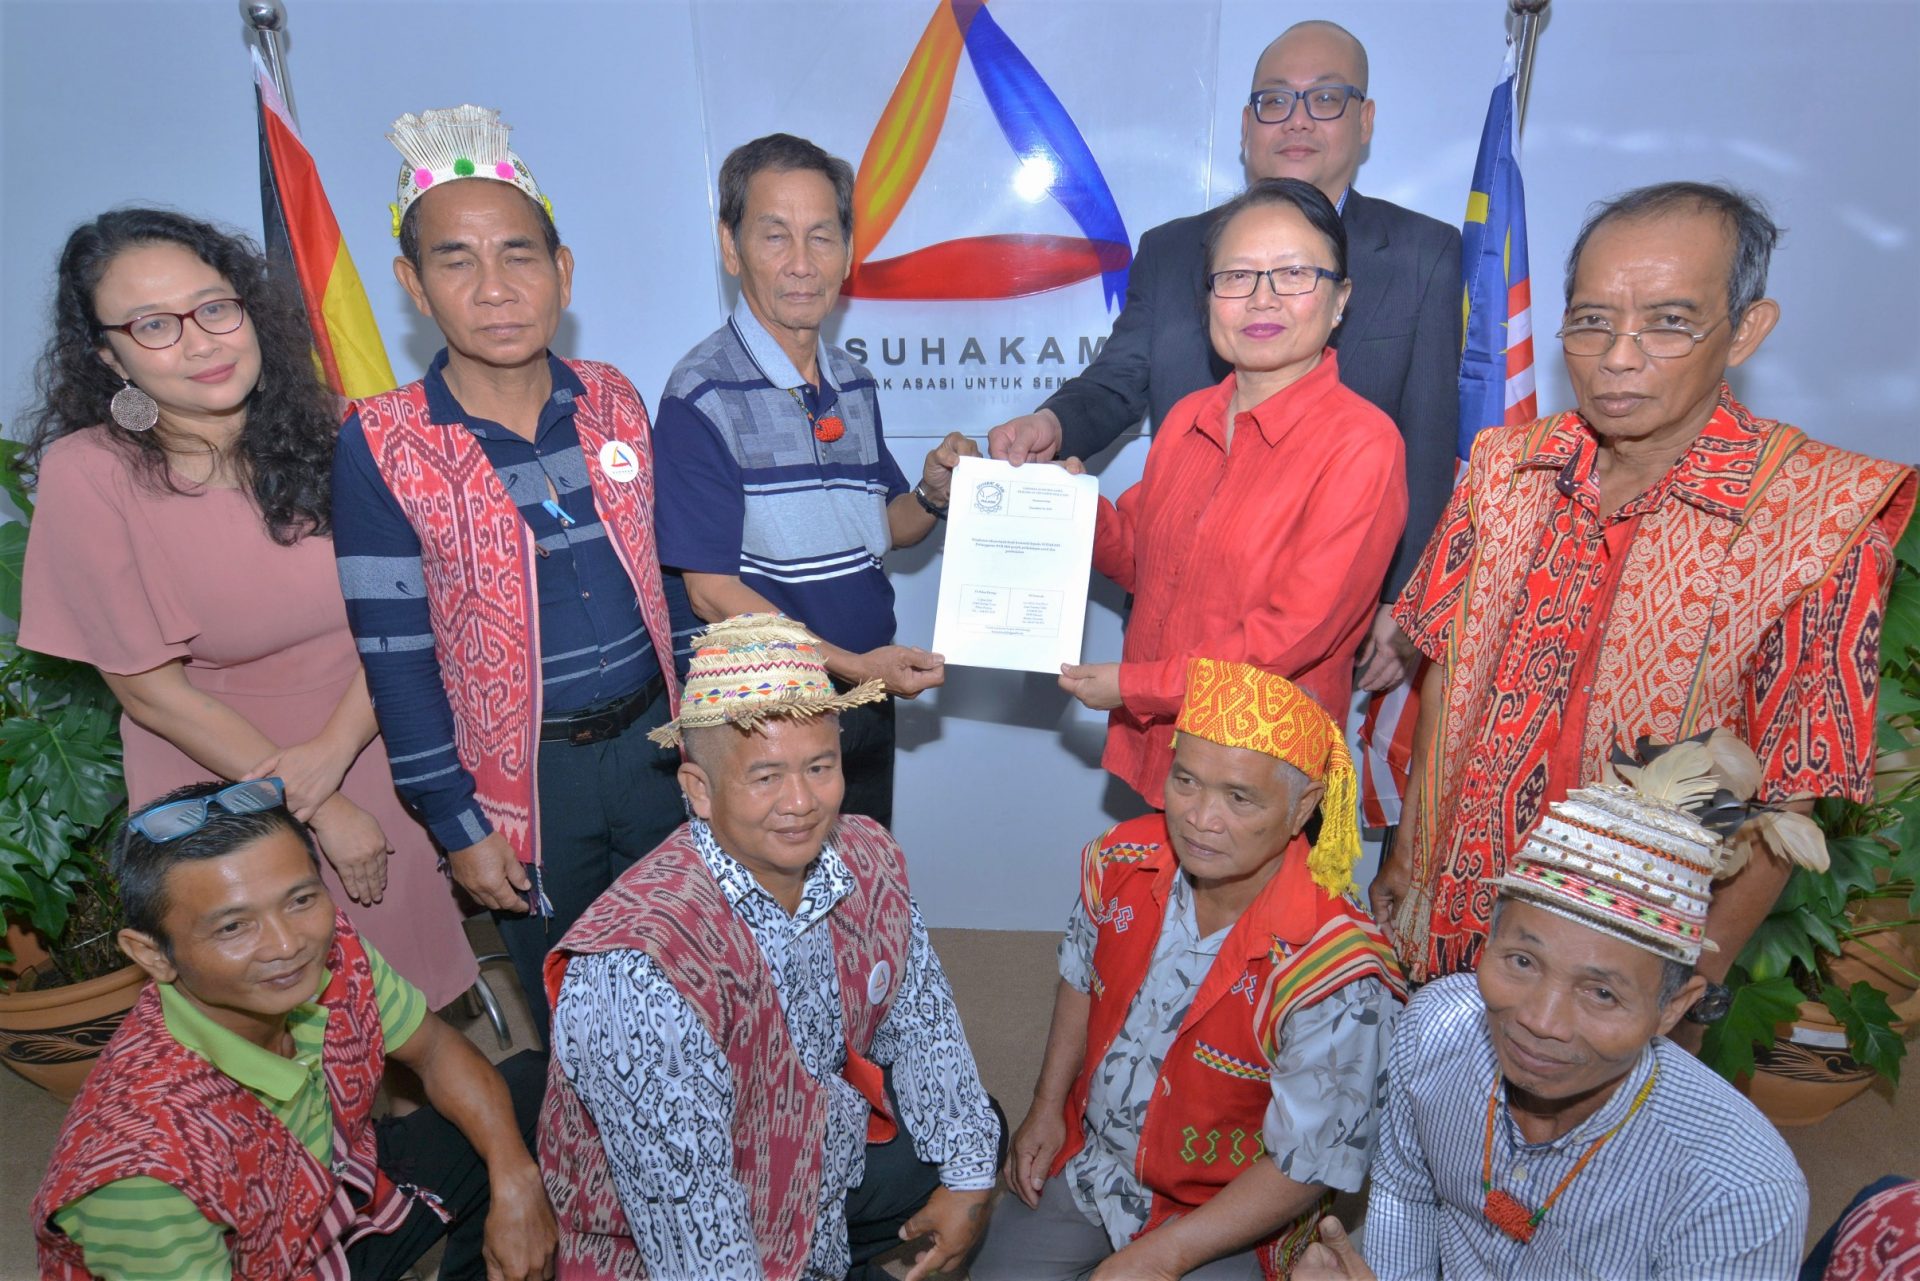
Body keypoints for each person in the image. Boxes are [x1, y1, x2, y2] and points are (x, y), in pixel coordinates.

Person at [1372, 181, 1918, 982]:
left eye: (1668, 322)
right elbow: (1447, 679)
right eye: (1592, 321)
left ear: (1746, 330)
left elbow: (1788, 797)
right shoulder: (1504, 469)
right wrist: (1407, 860)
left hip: (1627, 965)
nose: (1618, 357)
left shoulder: (1819, 517)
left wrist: (1690, 987)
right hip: (1459, 918)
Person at [16, 208, 476, 1010]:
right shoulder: (88, 473)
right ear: (108, 355)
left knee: (409, 1012)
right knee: (277, 1031)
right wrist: (317, 802)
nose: (200, 342)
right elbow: (152, 694)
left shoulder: (339, 427)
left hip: (370, 737)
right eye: (154, 325)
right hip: (217, 789)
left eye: (214, 308)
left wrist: (332, 757)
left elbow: (414, 612)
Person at [332, 105, 681, 1028]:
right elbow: (395, 658)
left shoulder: (613, 398)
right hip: (525, 786)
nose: (494, 288)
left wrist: (710, 738)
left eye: (518, 255)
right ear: (413, 284)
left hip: (659, 750)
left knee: (691, 980)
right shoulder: (380, 444)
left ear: (562, 270)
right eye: (456, 260)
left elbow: (670, 583)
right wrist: (456, 823)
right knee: (582, 1016)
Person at [989, 19, 1459, 694]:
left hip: (1315, 642)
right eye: (1275, 100)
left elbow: (1430, 433)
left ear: (1365, 120)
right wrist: (1051, 432)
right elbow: (1118, 382)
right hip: (1173, 620)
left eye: (1326, 98)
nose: (1298, 119)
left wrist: (1406, 598)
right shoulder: (1174, 256)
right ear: (1245, 126)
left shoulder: (1424, 253)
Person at [539, 614, 1002, 1281]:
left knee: (979, 1128)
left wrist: (969, 1185)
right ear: (699, 790)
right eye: (765, 777)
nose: (802, 802)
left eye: (820, 766)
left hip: (815, 1155)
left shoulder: (866, 852)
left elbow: (921, 1017)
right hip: (701, 1236)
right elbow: (697, 1241)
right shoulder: (638, 974)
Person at [1296, 738, 1811, 1280]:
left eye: (1602, 993)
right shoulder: (1433, 1031)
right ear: (1488, 943)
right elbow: (1407, 1193)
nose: (1539, 1021)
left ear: (1673, 1008)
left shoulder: (1738, 1193)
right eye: (1522, 961)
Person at [974, 659, 1405, 1281]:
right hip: (1097, 1157)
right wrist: (1045, 1106)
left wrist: (1160, 1257)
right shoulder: (1118, 860)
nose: (1201, 818)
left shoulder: (1337, 971)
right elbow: (1080, 977)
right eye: (1186, 781)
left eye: (1239, 797)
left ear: (1302, 806)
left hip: (1224, 1209)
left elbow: (1307, 1163)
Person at [32, 779, 555, 1281]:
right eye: (233, 926)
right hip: (252, 1263)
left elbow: (436, 1050)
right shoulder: (143, 1170)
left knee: (537, 1094)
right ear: (151, 954)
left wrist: (517, 1183)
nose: (287, 945)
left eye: (300, 900)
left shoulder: (333, 951)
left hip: (330, 1194)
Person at [652, 133, 977, 829]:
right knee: (778, 889)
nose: (802, 263)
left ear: (848, 251)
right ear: (731, 247)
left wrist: (933, 493)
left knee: (863, 870)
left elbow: (884, 527)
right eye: (775, 236)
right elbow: (711, 592)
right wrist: (854, 665)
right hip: (764, 720)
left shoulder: (852, 382)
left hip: (865, 701)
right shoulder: (700, 395)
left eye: (822, 236)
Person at [1057, 178, 1406, 809]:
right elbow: (1144, 558)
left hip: (1256, 777)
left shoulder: (1362, 444)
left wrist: (1137, 686)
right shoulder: (1188, 417)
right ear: (1209, 299)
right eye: (1238, 276)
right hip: (1161, 748)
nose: (1262, 299)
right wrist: (1068, 505)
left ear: (1340, 300)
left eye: (1294, 274)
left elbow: (1290, 637)